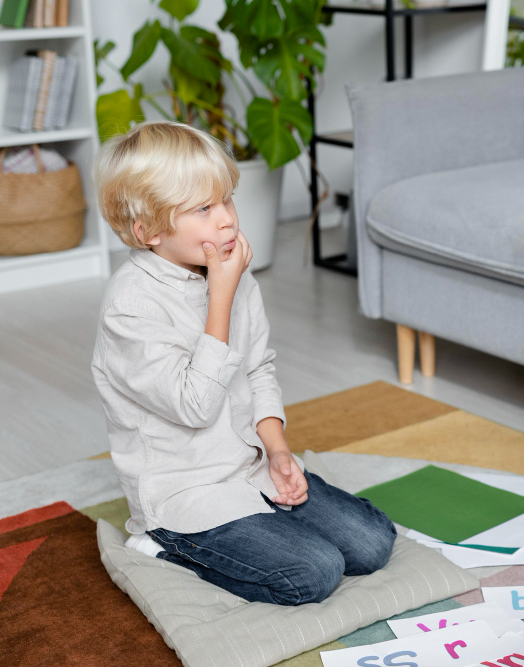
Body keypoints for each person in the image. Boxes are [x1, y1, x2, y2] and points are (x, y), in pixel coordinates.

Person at [91, 121, 397, 606]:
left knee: (373, 543)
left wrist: (277, 451)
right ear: (146, 231)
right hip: (187, 496)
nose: (227, 220)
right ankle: (167, 548)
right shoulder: (132, 307)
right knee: (315, 574)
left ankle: (268, 509)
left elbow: (257, 367)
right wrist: (222, 295)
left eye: (226, 200)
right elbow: (195, 406)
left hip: (249, 467)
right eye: (203, 209)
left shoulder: (229, 268)